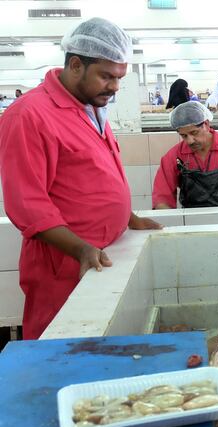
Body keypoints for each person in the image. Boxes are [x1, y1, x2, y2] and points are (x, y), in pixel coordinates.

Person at [0, 17, 162, 340]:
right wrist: (79, 249)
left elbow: (89, 177)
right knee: (61, 355)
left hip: (97, 256)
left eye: (119, 77)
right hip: (63, 268)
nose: (115, 87)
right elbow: (26, 204)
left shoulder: (91, 106)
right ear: (75, 65)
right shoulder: (29, 115)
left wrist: (128, 217)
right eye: (107, 76)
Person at [151, 101, 218, 209]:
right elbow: (161, 197)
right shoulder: (174, 156)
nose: (190, 141)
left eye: (194, 133)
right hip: (191, 220)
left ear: (206, 124)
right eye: (184, 136)